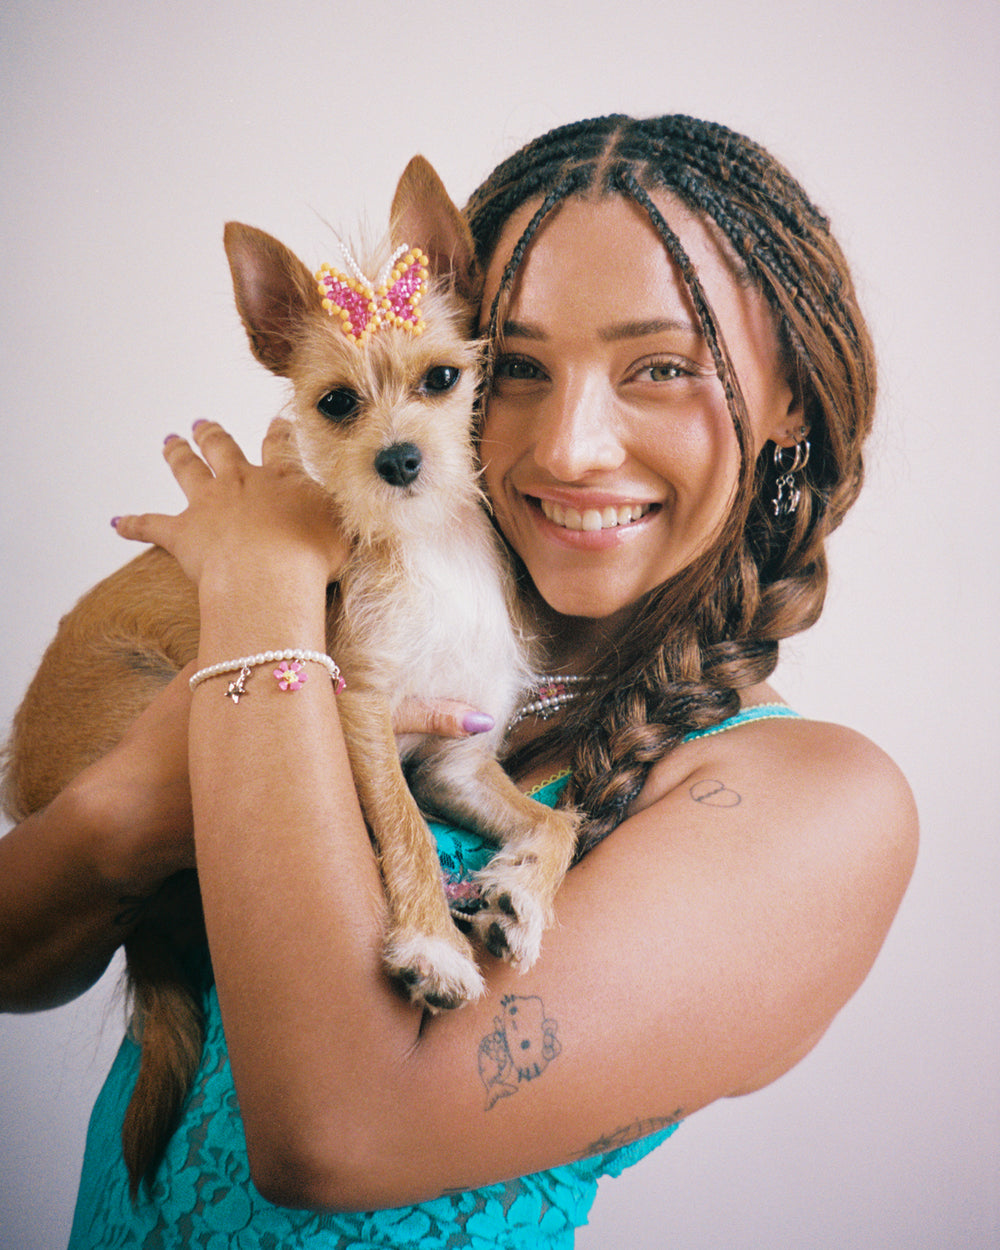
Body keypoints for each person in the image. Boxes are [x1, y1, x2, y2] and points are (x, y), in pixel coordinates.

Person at [0, 114, 917, 1247]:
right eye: (519, 367)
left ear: (789, 396)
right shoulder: (394, 624)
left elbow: (328, 1133)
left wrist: (262, 576)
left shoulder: (818, 804)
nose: (573, 445)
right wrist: (127, 807)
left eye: (664, 367)